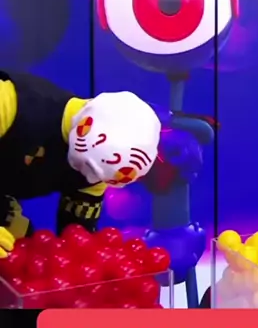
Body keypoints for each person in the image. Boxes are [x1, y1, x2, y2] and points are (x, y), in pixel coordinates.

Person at [0, 70, 161, 258]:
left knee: (25, 252)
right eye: (87, 167)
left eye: (99, 178)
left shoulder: (98, 173)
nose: (90, 179)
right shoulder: (11, 102)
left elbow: (76, 240)